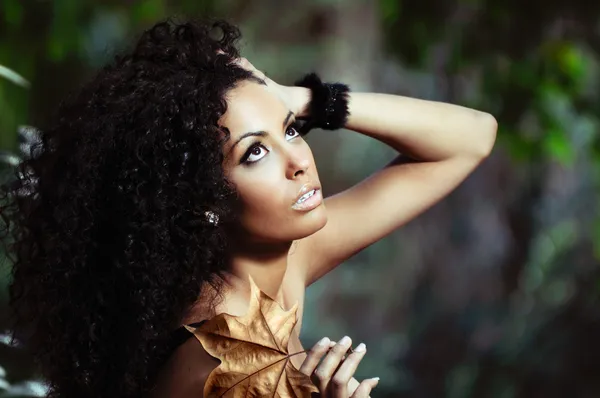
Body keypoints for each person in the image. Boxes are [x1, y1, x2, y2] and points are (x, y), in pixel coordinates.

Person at [0, 18, 497, 398]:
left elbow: (470, 138)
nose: (299, 161)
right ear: (200, 199)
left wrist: (304, 99)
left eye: (291, 131)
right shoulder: (228, 365)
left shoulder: (274, 266)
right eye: (254, 152)